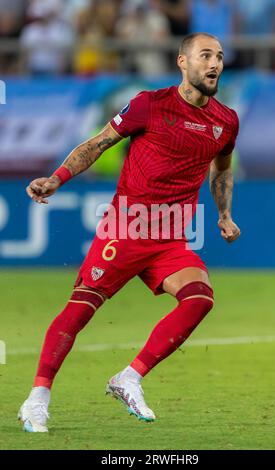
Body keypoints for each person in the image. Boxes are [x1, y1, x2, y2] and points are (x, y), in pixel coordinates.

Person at [19, 32, 240, 432]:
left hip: (170, 241)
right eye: (205, 55)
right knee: (80, 310)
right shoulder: (149, 105)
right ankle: (37, 397)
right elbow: (99, 143)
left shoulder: (225, 121)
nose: (214, 64)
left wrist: (223, 214)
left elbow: (221, 169)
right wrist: (57, 179)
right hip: (124, 231)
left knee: (199, 299)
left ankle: (129, 378)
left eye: (220, 57)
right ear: (182, 62)